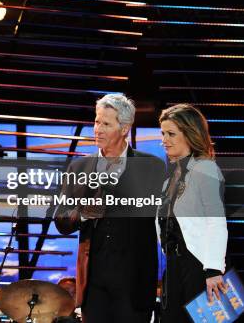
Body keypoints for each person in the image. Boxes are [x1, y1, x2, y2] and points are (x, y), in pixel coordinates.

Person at [54, 94, 165, 323]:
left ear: (124, 128)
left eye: (106, 124)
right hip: (94, 284)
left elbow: (162, 220)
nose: (98, 129)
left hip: (134, 283)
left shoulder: (152, 167)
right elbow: (61, 221)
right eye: (96, 122)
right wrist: (83, 213)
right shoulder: (79, 167)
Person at [157, 104, 228, 322]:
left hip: (197, 265)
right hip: (174, 265)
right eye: (163, 134)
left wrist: (213, 269)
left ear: (189, 135)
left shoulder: (204, 169)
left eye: (171, 134)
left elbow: (215, 222)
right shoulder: (170, 179)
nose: (164, 140)